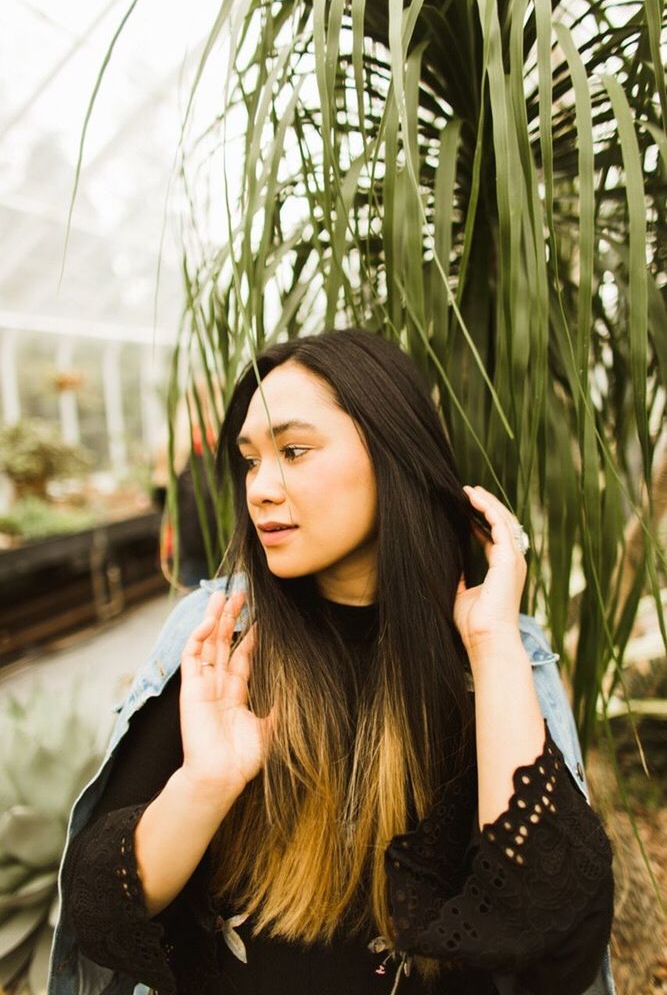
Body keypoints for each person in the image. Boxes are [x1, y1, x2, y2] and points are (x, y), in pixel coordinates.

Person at [49, 330, 615, 995]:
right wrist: (205, 784)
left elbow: (555, 948)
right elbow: (100, 912)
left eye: (293, 451)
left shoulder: (492, 660)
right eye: (250, 461)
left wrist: (492, 647)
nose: (260, 488)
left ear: (393, 454)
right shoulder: (223, 639)